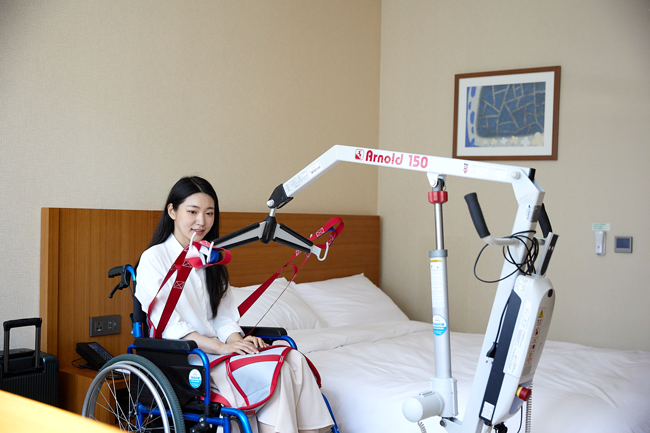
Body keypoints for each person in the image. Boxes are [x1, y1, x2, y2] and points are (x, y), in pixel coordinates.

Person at [135, 176, 333, 433]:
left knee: (294, 359)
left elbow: (224, 318)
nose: (201, 221)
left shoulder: (212, 258)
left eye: (209, 213)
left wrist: (238, 341)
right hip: (186, 359)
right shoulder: (154, 259)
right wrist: (222, 347)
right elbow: (172, 328)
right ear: (172, 211)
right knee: (279, 371)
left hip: (219, 352)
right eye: (192, 212)